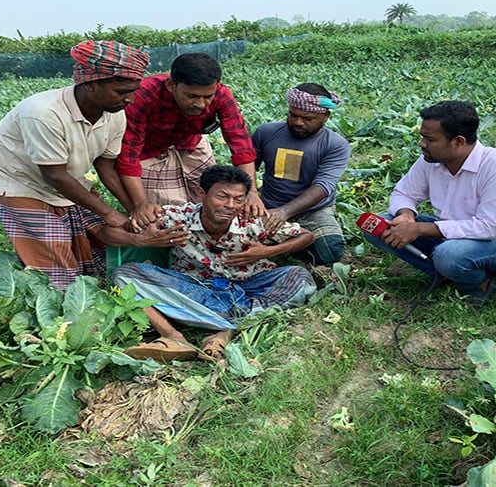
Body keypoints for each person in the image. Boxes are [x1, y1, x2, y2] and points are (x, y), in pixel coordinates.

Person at [0, 40, 186, 290]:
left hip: (65, 176)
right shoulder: (44, 113)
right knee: (59, 270)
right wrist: (109, 212)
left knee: (99, 244)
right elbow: (54, 176)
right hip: (18, 180)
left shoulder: (114, 113)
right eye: (121, 92)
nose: (130, 99)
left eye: (133, 90)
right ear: (90, 85)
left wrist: (135, 210)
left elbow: (106, 164)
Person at [113, 165, 317, 362]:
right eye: (222, 196)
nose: (230, 205)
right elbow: (109, 232)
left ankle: (223, 332)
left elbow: (307, 236)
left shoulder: (255, 221)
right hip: (197, 288)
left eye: (238, 199)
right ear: (201, 194)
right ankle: (174, 337)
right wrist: (141, 240)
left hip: (251, 286)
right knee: (124, 275)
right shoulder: (176, 218)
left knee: (298, 276)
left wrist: (266, 252)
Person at [363, 100, 496, 306]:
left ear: (458, 142)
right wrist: (406, 215)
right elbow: (404, 192)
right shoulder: (431, 160)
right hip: (449, 234)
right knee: (378, 225)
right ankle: (444, 273)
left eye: (429, 139)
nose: (421, 144)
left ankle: (480, 283)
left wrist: (418, 229)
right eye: (422, 137)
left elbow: (488, 227)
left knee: (449, 255)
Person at [116, 52, 265, 231]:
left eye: (207, 97)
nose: (201, 104)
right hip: (149, 152)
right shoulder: (143, 96)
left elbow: (240, 144)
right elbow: (129, 155)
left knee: (212, 200)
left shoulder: (221, 94)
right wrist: (140, 203)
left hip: (190, 143)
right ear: (172, 85)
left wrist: (252, 193)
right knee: (167, 215)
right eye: (192, 96)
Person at [252, 83, 351, 265]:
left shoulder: (335, 145)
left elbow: (323, 186)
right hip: (268, 206)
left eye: (307, 118)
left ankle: (285, 243)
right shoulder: (266, 133)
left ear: (325, 116)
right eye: (293, 115)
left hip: (313, 210)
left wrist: (284, 212)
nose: (298, 122)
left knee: (331, 250)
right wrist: (251, 197)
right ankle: (289, 242)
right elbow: (247, 166)